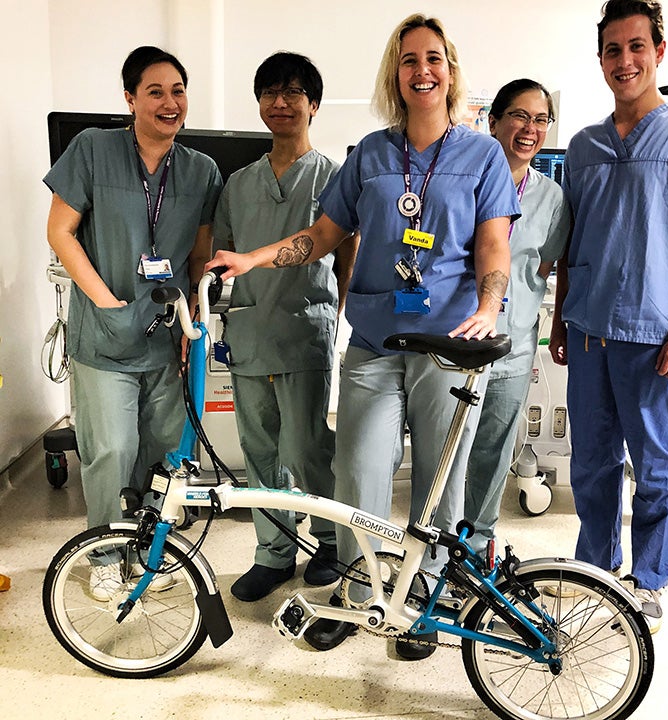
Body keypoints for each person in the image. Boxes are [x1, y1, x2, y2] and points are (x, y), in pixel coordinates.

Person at [206, 13, 519, 659]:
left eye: (434, 58)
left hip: (450, 343)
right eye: (409, 60)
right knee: (357, 471)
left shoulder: (483, 154)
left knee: (440, 479)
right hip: (376, 342)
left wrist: (488, 307)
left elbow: (494, 248)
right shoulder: (373, 154)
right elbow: (322, 237)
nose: (422, 70)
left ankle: (424, 603)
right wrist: (252, 259)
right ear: (395, 74)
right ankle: (358, 595)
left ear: (450, 71)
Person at [548, 0, 668, 632]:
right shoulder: (584, 146)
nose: (623, 61)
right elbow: (573, 239)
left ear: (659, 51)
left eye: (635, 47)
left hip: (656, 336)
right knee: (591, 465)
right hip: (589, 329)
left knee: (657, 468)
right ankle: (597, 574)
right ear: (600, 59)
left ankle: (648, 581)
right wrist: (559, 316)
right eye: (611, 50)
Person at [44, 46, 223, 600]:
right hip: (105, 336)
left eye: (178, 92)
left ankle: (147, 547)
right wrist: (106, 302)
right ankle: (102, 553)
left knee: (163, 448)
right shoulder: (92, 150)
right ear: (129, 99)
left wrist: (198, 319)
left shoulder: (201, 170)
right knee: (113, 449)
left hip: (167, 336)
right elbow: (61, 232)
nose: (170, 103)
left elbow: (197, 256)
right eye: (155, 92)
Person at [214, 52, 357, 602]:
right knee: (258, 451)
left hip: (305, 330)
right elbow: (222, 256)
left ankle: (325, 542)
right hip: (249, 332)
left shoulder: (333, 177)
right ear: (259, 104)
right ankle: (272, 554)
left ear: (313, 105)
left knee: (306, 447)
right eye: (270, 92)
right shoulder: (237, 183)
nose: (281, 102)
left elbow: (346, 258)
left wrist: (333, 318)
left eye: (293, 92)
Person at [464, 79, 570, 554]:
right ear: (494, 121)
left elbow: (542, 267)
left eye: (540, 119)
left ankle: (479, 540)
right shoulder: (463, 180)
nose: (529, 128)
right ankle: (440, 545)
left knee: (493, 448)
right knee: (448, 447)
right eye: (519, 116)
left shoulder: (551, 198)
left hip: (513, 343)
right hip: (458, 339)